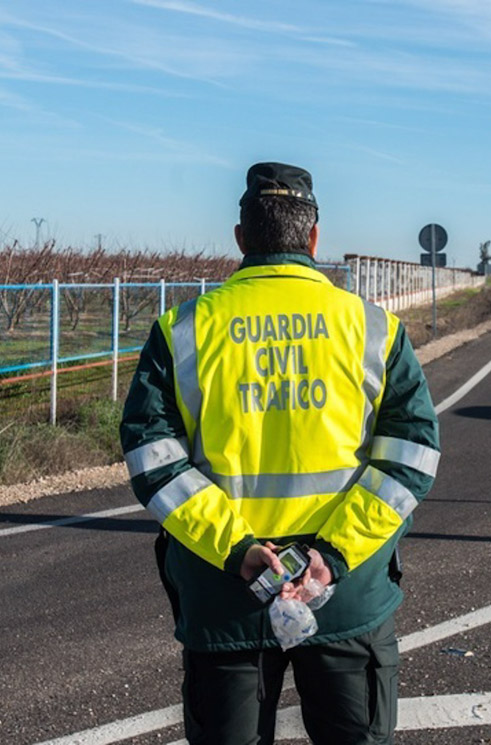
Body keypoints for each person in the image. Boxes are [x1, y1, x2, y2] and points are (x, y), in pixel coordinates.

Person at [120, 162, 440, 744]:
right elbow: (411, 456)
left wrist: (238, 550)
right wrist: (332, 556)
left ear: (241, 239)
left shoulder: (183, 331)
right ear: (314, 237)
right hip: (344, 597)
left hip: (227, 596)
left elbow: (152, 456)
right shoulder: (375, 330)